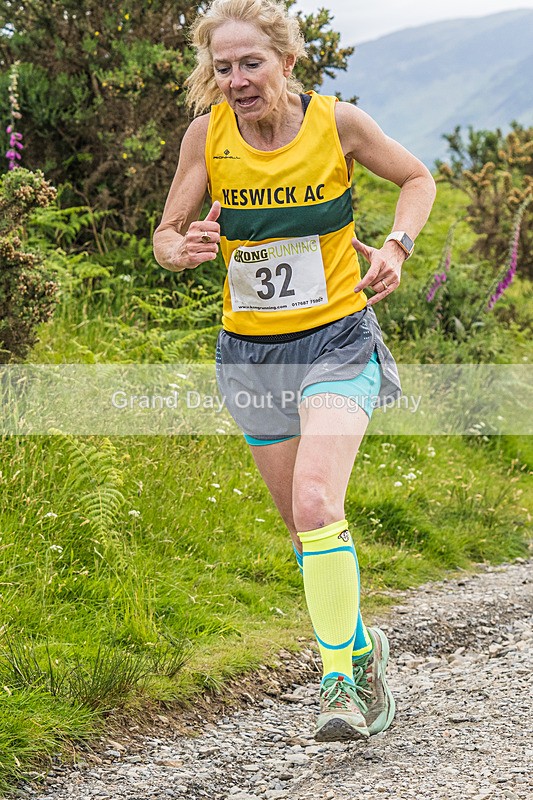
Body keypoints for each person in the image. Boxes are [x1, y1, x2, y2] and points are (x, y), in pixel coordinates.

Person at [153, 0, 436, 742]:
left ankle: (337, 683)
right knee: (304, 530)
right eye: (222, 68)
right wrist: (174, 248)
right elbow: (166, 231)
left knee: (316, 505)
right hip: (248, 358)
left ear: (286, 60)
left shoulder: (335, 124)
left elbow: (416, 179)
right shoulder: (205, 135)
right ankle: (360, 646)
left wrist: (396, 248)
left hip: (337, 341)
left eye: (250, 64)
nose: (237, 80)